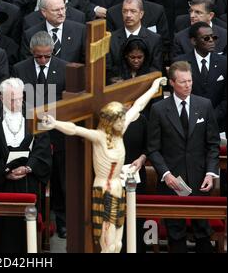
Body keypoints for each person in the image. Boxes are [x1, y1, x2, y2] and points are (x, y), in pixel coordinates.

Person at [42, 76, 167, 252]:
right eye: (120, 120)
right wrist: (55, 123)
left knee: (119, 243)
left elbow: (138, 105)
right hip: (104, 188)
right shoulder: (100, 137)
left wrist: (154, 87)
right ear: (110, 122)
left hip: (119, 186)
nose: (124, 122)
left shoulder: (120, 130)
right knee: (108, 244)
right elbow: (75, 129)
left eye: (123, 119)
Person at [147, 61, 220, 253]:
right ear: (172, 82)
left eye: (190, 81)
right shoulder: (159, 109)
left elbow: (213, 145)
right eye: (182, 82)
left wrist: (211, 173)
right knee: (176, 235)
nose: (188, 85)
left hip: (200, 180)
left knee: (203, 233)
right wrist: (166, 174)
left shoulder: (204, 105)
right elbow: (153, 149)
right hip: (172, 182)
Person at [0, 77, 52, 253]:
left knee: (24, 230)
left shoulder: (34, 114)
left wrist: (28, 167)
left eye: (20, 98)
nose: (17, 103)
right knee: (1, 230)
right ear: (0, 97)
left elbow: (42, 147)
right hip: (1, 181)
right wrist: (4, 171)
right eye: (12, 99)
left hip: (27, 180)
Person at [13, 31, 68, 238]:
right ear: (31, 52)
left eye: (47, 56)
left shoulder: (64, 68)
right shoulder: (20, 69)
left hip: (57, 134)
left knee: (61, 181)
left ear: (53, 52)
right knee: (34, 177)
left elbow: (68, 100)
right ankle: (36, 220)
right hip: (30, 135)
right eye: (39, 56)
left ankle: (61, 221)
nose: (43, 60)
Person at [173, 21, 226, 132]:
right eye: (206, 38)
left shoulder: (224, 63)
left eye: (213, 37)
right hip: (189, 125)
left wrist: (211, 118)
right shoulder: (180, 63)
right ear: (193, 41)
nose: (211, 40)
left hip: (218, 125)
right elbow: (177, 96)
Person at [106, 0, 163, 83]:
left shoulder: (154, 39)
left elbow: (155, 70)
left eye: (133, 11)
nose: (128, 15)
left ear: (141, 14)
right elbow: (108, 69)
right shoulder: (111, 39)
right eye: (125, 11)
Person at [20, 0, 86, 64]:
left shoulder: (80, 31)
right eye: (56, 10)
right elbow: (28, 66)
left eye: (63, 8)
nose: (61, 13)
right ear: (44, 12)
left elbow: (85, 61)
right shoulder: (31, 35)